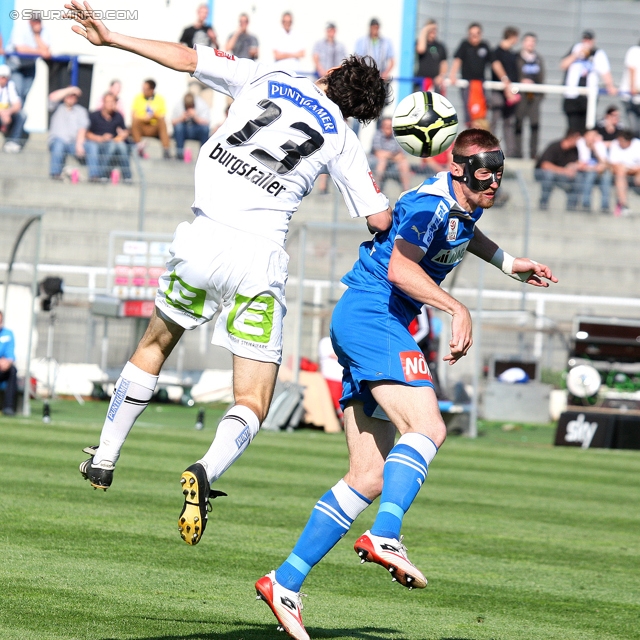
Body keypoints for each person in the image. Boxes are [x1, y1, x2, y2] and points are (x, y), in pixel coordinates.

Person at [66, 1, 391, 553]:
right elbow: (378, 218)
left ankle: (103, 458)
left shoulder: (270, 76)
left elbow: (186, 58)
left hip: (200, 239)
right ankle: (205, 470)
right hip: (258, 257)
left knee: (154, 345)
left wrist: (112, 38)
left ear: (332, 72)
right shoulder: (342, 137)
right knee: (253, 398)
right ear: (357, 109)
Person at [256, 128, 557, 640]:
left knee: (368, 477)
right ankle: (386, 534)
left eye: (499, 171)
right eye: (485, 172)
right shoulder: (428, 206)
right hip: (374, 316)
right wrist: (455, 307)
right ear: (459, 169)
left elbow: (467, 233)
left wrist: (509, 264)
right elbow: (399, 267)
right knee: (428, 426)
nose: (494, 182)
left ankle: (284, 581)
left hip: (370, 320)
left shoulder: (464, 206)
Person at [560, 30, 616, 132]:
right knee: (572, 128)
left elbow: (605, 73)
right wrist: (576, 55)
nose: (587, 42)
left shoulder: (597, 54)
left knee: (587, 128)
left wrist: (610, 86)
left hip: (588, 98)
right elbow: (563, 65)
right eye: (585, 39)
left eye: (589, 40)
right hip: (572, 96)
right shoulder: (575, 49)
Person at [449, 23, 492, 127]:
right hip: (468, 85)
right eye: (472, 34)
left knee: (481, 114)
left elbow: (494, 63)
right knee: (469, 113)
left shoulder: (484, 46)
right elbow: (457, 60)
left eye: (477, 34)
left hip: (480, 85)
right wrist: (452, 75)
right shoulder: (464, 45)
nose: (474, 37)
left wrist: (504, 78)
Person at [85, 92, 131, 182]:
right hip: (96, 142)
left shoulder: (118, 116)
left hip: (112, 142)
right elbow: (87, 134)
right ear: (103, 102)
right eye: (108, 102)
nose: (110, 104)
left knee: (121, 146)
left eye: (112, 102)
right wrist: (101, 138)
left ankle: (127, 176)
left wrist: (124, 134)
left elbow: (125, 130)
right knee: (112, 145)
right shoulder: (94, 115)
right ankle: (102, 174)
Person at [5, 14, 51, 104]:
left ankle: (18, 116)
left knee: (25, 93)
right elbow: (20, 49)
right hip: (15, 65)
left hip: (29, 65)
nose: (36, 24)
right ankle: (11, 115)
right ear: (30, 21)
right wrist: (40, 51)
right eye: (34, 21)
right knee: (16, 91)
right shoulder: (21, 28)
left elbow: (46, 51)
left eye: (38, 21)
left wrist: (36, 35)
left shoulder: (43, 31)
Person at [490, 26, 520, 158]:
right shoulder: (497, 52)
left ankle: (510, 152)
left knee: (509, 122)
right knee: (494, 121)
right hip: (499, 92)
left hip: (510, 94)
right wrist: (506, 84)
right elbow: (497, 66)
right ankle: (489, 148)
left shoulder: (512, 54)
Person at [534, 129, 583, 210]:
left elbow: (575, 163)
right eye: (577, 139)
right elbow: (545, 165)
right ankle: (543, 204)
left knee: (578, 178)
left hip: (560, 175)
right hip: (541, 173)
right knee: (549, 175)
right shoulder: (554, 146)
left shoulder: (574, 150)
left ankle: (571, 207)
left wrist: (573, 168)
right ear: (571, 138)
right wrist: (564, 171)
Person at [47, 85, 89, 180]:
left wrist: (79, 144)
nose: (71, 97)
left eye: (73, 95)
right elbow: (52, 97)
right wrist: (71, 89)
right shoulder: (57, 107)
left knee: (92, 147)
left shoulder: (81, 111)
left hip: (73, 143)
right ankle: (55, 174)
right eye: (69, 95)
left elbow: (82, 128)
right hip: (57, 141)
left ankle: (95, 175)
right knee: (59, 144)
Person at [515, 32, 545, 159]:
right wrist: (521, 80)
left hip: (534, 97)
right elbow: (513, 73)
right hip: (520, 95)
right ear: (523, 42)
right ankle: (517, 153)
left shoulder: (538, 59)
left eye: (533, 42)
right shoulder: (517, 57)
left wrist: (540, 94)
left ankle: (533, 153)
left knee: (535, 124)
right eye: (528, 41)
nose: (530, 44)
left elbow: (542, 77)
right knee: (518, 123)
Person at [131, 79, 171, 159]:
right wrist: (144, 118)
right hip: (142, 126)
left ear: (151, 90)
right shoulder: (138, 98)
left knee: (162, 122)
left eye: (145, 89)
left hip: (154, 127)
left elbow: (162, 116)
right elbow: (134, 115)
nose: (143, 91)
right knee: (135, 122)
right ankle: (139, 147)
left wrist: (153, 115)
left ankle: (166, 149)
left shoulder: (160, 99)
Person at [371, 117, 412, 191]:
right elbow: (378, 154)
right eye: (385, 125)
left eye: (389, 125)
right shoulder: (378, 134)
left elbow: (400, 155)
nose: (387, 127)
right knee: (382, 161)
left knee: (404, 163)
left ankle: (406, 190)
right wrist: (392, 155)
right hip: (376, 162)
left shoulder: (396, 136)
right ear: (382, 126)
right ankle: (376, 188)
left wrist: (387, 155)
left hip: (393, 163)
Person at [576, 128, 611, 213]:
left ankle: (605, 205)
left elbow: (604, 162)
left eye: (595, 135)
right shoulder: (580, 143)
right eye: (591, 135)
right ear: (585, 135)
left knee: (606, 176)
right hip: (584, 171)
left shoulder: (599, 145)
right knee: (590, 175)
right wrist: (594, 167)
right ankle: (586, 203)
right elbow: (583, 162)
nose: (593, 137)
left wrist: (594, 149)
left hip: (597, 170)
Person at [609, 129, 640, 216]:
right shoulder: (615, 144)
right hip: (621, 171)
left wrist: (632, 170)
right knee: (620, 174)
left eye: (622, 141)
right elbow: (613, 164)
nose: (620, 143)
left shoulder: (637, 145)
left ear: (629, 141)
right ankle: (624, 205)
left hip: (636, 170)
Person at [171, 92, 210, 160]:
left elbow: (207, 122)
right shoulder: (179, 105)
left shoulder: (201, 104)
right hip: (184, 129)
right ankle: (179, 153)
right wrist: (181, 118)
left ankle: (203, 155)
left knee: (205, 129)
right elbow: (172, 122)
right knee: (178, 127)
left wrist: (195, 117)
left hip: (197, 129)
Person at [0, 64, 27, 154]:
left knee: (22, 115)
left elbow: (17, 105)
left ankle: (13, 141)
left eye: (6, 77)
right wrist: (2, 114)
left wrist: (7, 112)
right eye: (2, 77)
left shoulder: (10, 85)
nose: (4, 79)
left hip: (6, 115)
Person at [415, 19, 447, 93]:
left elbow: (444, 63)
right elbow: (421, 49)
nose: (433, 32)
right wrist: (425, 30)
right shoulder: (421, 43)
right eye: (431, 29)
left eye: (435, 29)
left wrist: (441, 76)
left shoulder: (440, 46)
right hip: (422, 81)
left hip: (435, 83)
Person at [0, 310, 18, 416]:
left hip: (2, 369)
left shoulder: (8, 334)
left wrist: (7, 362)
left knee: (12, 370)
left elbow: (10, 355)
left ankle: (8, 407)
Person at [621, 40, 640, 136]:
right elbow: (632, 69)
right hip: (631, 99)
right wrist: (633, 88)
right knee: (634, 129)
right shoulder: (634, 51)